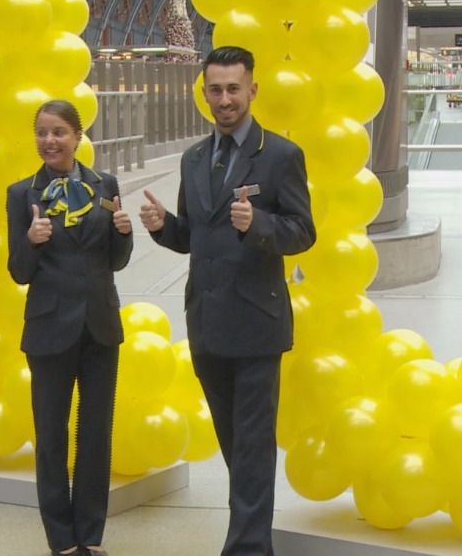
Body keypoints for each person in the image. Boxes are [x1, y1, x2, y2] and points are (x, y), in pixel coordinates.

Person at [138, 46, 316, 556]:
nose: (224, 99)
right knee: (237, 446)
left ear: (252, 90)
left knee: (253, 447)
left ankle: (246, 548)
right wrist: (163, 227)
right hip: (207, 323)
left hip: (257, 325)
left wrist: (259, 224)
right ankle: (254, 538)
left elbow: (303, 232)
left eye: (233, 88)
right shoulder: (194, 158)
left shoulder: (280, 155)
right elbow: (194, 236)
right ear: (204, 92)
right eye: (215, 90)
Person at [8, 99, 133, 556]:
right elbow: (19, 271)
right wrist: (31, 241)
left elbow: (115, 261)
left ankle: (91, 536)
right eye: (42, 133)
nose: (49, 141)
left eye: (59, 132)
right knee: (52, 437)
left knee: (96, 434)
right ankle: (61, 539)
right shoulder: (22, 194)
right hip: (49, 329)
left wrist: (124, 233)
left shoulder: (106, 185)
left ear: (78, 137)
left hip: (100, 326)